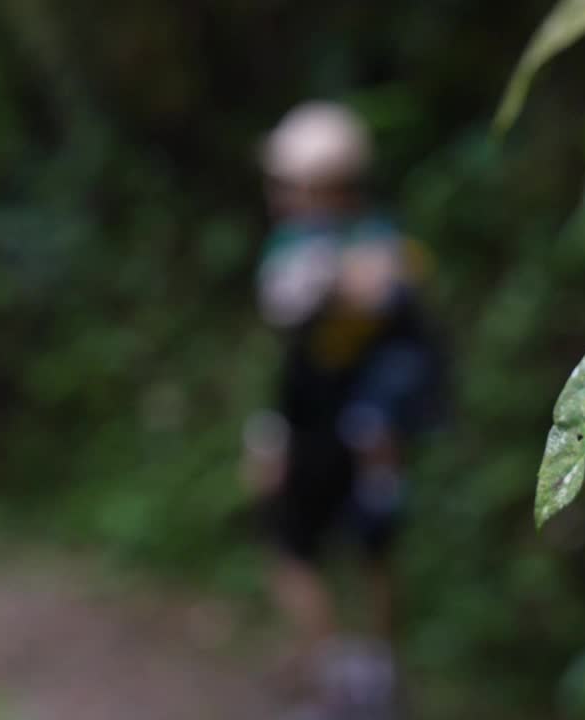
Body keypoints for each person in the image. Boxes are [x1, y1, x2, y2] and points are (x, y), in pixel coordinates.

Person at [242, 101, 441, 713]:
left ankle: (363, 682)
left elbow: (396, 310)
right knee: (306, 545)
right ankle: (345, 676)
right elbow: (286, 319)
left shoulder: (382, 247)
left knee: (357, 547)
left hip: (359, 432)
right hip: (315, 426)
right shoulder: (308, 248)